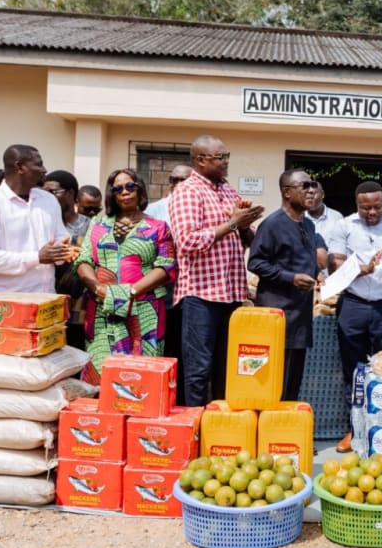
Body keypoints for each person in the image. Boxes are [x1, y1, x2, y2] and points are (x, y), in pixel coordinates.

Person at [169, 135, 265, 407]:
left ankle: (222, 430)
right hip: (201, 295)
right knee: (199, 370)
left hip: (232, 294)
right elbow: (187, 242)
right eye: (220, 158)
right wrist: (234, 223)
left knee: (228, 369)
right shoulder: (188, 192)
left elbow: (244, 238)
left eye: (227, 157)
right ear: (200, 160)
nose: (226, 162)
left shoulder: (227, 189)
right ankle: (196, 431)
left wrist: (245, 225)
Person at [328, 181, 382, 452]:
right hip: (352, 305)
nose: (372, 212)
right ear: (357, 205)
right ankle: (354, 430)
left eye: (377, 207)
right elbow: (335, 262)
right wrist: (361, 270)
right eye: (366, 208)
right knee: (353, 371)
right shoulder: (345, 225)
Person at [75, 169, 176, 382]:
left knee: (143, 372)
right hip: (102, 306)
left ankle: (138, 411)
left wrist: (130, 291)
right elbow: (83, 261)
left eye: (130, 186)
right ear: (112, 194)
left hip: (144, 307)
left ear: (139, 189)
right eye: (118, 189)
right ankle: (102, 413)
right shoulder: (98, 224)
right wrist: (98, 288)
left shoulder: (157, 228)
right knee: (100, 366)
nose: (125, 192)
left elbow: (165, 266)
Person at [248, 170, 319, 401]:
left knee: (292, 383)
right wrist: (291, 278)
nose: (312, 190)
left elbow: (303, 261)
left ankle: (285, 430)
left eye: (313, 185)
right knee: (273, 382)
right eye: (305, 186)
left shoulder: (309, 225)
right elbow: (256, 262)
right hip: (278, 314)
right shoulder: (272, 224)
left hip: (301, 314)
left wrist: (317, 276)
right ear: (287, 192)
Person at [0, 144, 72, 293]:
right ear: (20, 167)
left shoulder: (49, 200)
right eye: (39, 164)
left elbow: (61, 239)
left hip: (47, 300)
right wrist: (37, 257)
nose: (44, 170)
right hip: (8, 304)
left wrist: (65, 252)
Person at [145, 163, 192, 404]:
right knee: (158, 345)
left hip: (188, 290)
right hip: (158, 289)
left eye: (183, 180)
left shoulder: (197, 209)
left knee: (181, 347)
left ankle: (178, 400)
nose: (177, 184)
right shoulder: (154, 210)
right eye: (174, 179)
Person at [44, 170, 91, 349]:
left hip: (79, 312)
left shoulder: (90, 225)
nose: (48, 198)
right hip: (47, 308)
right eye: (44, 192)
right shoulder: (44, 223)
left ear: (71, 193)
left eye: (53, 192)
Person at [306, 181, 344, 248]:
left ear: (322, 194)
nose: (309, 197)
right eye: (306, 194)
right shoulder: (298, 218)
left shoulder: (337, 217)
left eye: (313, 193)